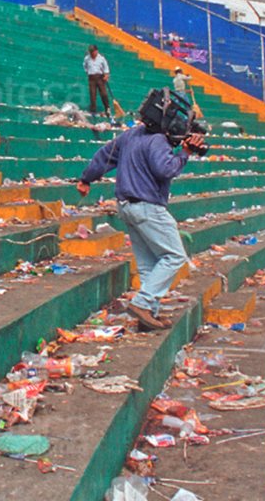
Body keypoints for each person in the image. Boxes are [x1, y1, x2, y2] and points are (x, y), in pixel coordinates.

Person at [75, 97, 205, 331]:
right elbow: (165, 169)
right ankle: (143, 303)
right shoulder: (158, 141)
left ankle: (148, 315)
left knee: (148, 264)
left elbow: (105, 156)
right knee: (174, 257)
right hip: (148, 207)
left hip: (127, 207)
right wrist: (184, 153)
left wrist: (86, 179)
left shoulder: (130, 135)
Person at [83, 44, 111, 117]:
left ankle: (107, 108)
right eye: (91, 52)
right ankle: (93, 110)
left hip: (100, 77)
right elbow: (85, 66)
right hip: (91, 78)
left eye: (93, 52)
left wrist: (106, 75)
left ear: (96, 51)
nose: (92, 53)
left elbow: (106, 67)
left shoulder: (101, 58)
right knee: (92, 94)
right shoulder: (87, 58)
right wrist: (88, 72)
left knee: (104, 94)